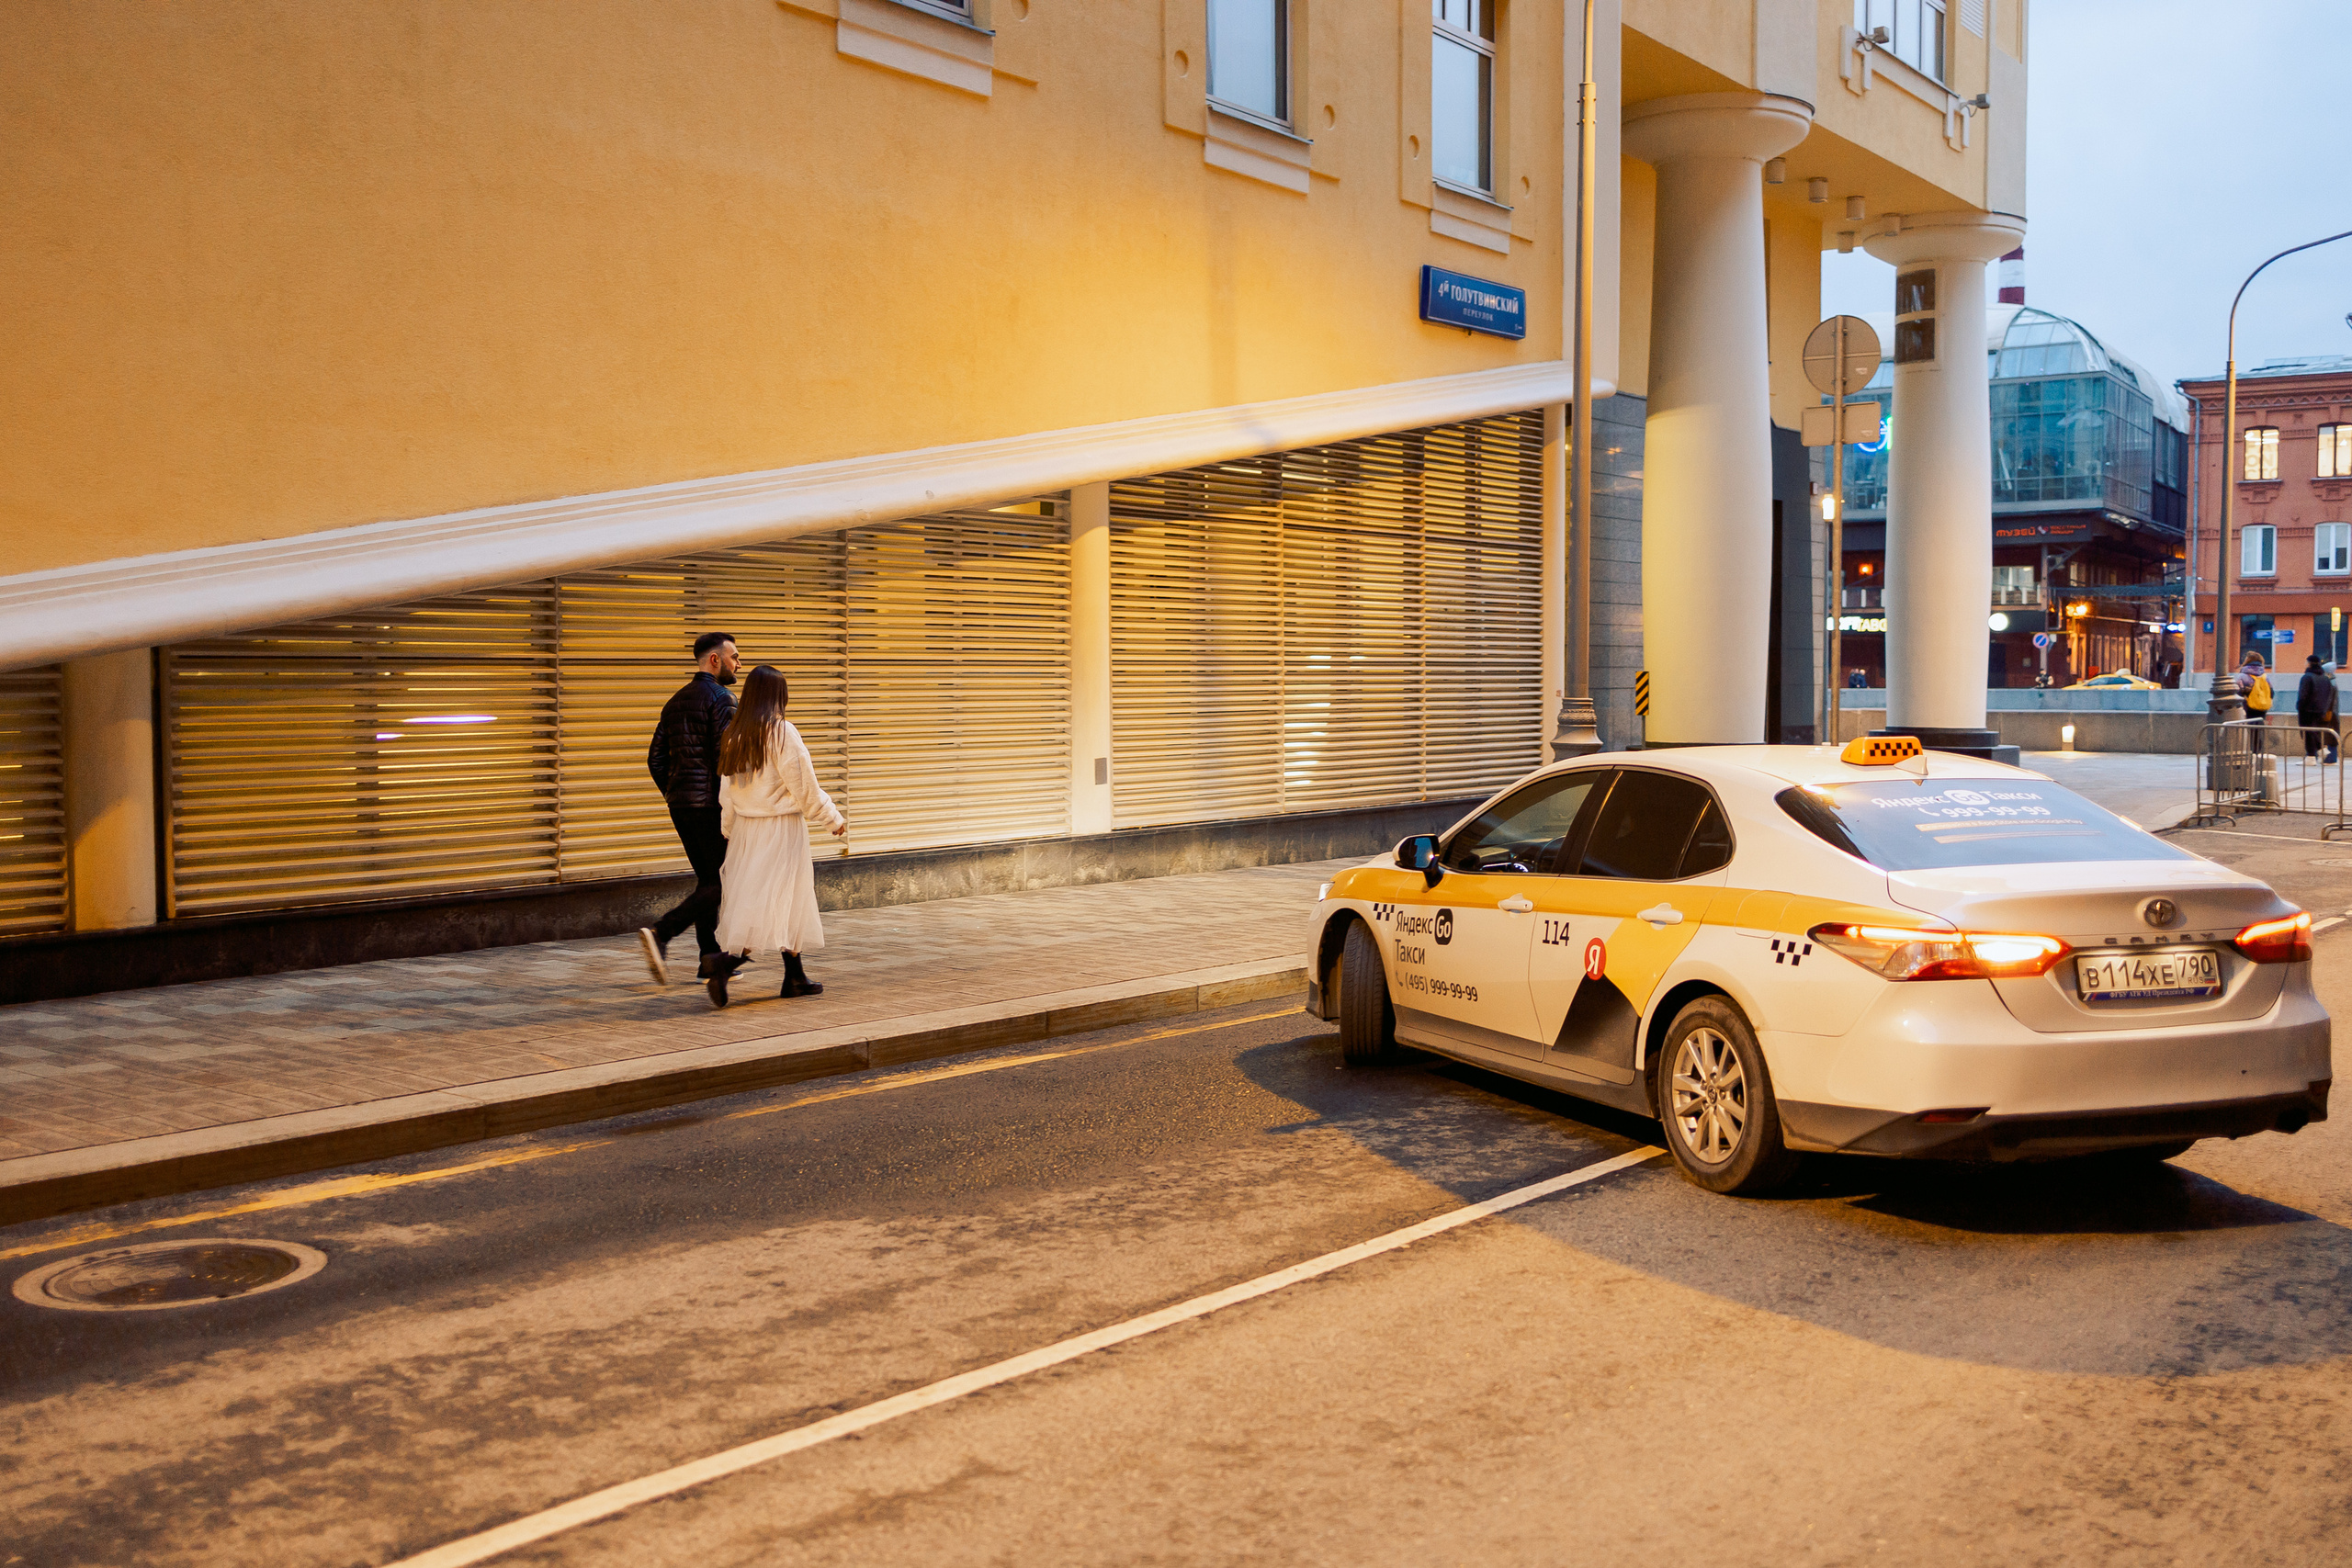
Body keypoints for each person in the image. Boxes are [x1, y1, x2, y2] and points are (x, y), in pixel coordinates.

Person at [706, 664, 847, 1009]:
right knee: (786, 895)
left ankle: (794, 976)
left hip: (747, 830)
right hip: (781, 828)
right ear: (776, 697)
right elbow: (804, 784)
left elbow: (726, 789)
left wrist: (728, 828)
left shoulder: (735, 734)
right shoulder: (783, 733)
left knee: (764, 897)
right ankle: (726, 963)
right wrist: (832, 818)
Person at [638, 631, 740, 986]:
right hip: (711, 805)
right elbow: (726, 759)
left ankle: (708, 958)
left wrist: (675, 791)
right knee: (725, 880)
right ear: (715, 660)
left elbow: (654, 759)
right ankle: (662, 931)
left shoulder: (675, 702)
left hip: (681, 805)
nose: (738, 664)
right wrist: (729, 804)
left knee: (710, 879)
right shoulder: (723, 699)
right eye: (734, 657)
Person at [2297, 652, 2340, 762]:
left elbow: (2303, 695)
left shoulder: (2307, 677)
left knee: (2308, 731)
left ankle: (2317, 752)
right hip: (2321, 710)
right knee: (2312, 730)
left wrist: (2299, 706)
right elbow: (2329, 694)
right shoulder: (2325, 678)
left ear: (2309, 663)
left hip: (2307, 709)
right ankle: (2313, 755)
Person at [2239, 651, 2274, 721]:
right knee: (2260, 726)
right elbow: (2272, 693)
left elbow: (2238, 693)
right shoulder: (2265, 677)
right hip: (2263, 707)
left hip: (2249, 708)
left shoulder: (2243, 676)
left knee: (2251, 727)